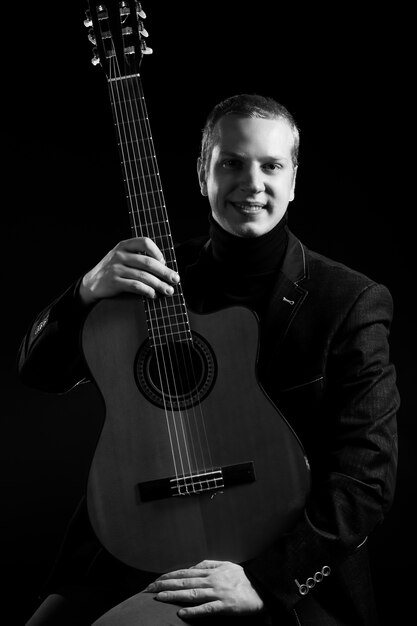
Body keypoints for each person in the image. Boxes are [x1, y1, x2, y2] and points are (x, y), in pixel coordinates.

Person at [18, 94, 399, 625]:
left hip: (279, 554)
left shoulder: (348, 301)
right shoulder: (153, 284)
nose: (253, 183)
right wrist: (83, 292)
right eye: (231, 163)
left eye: (271, 165)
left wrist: (265, 578)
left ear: (293, 179)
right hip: (134, 533)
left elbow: (367, 479)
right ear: (203, 174)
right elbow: (40, 374)